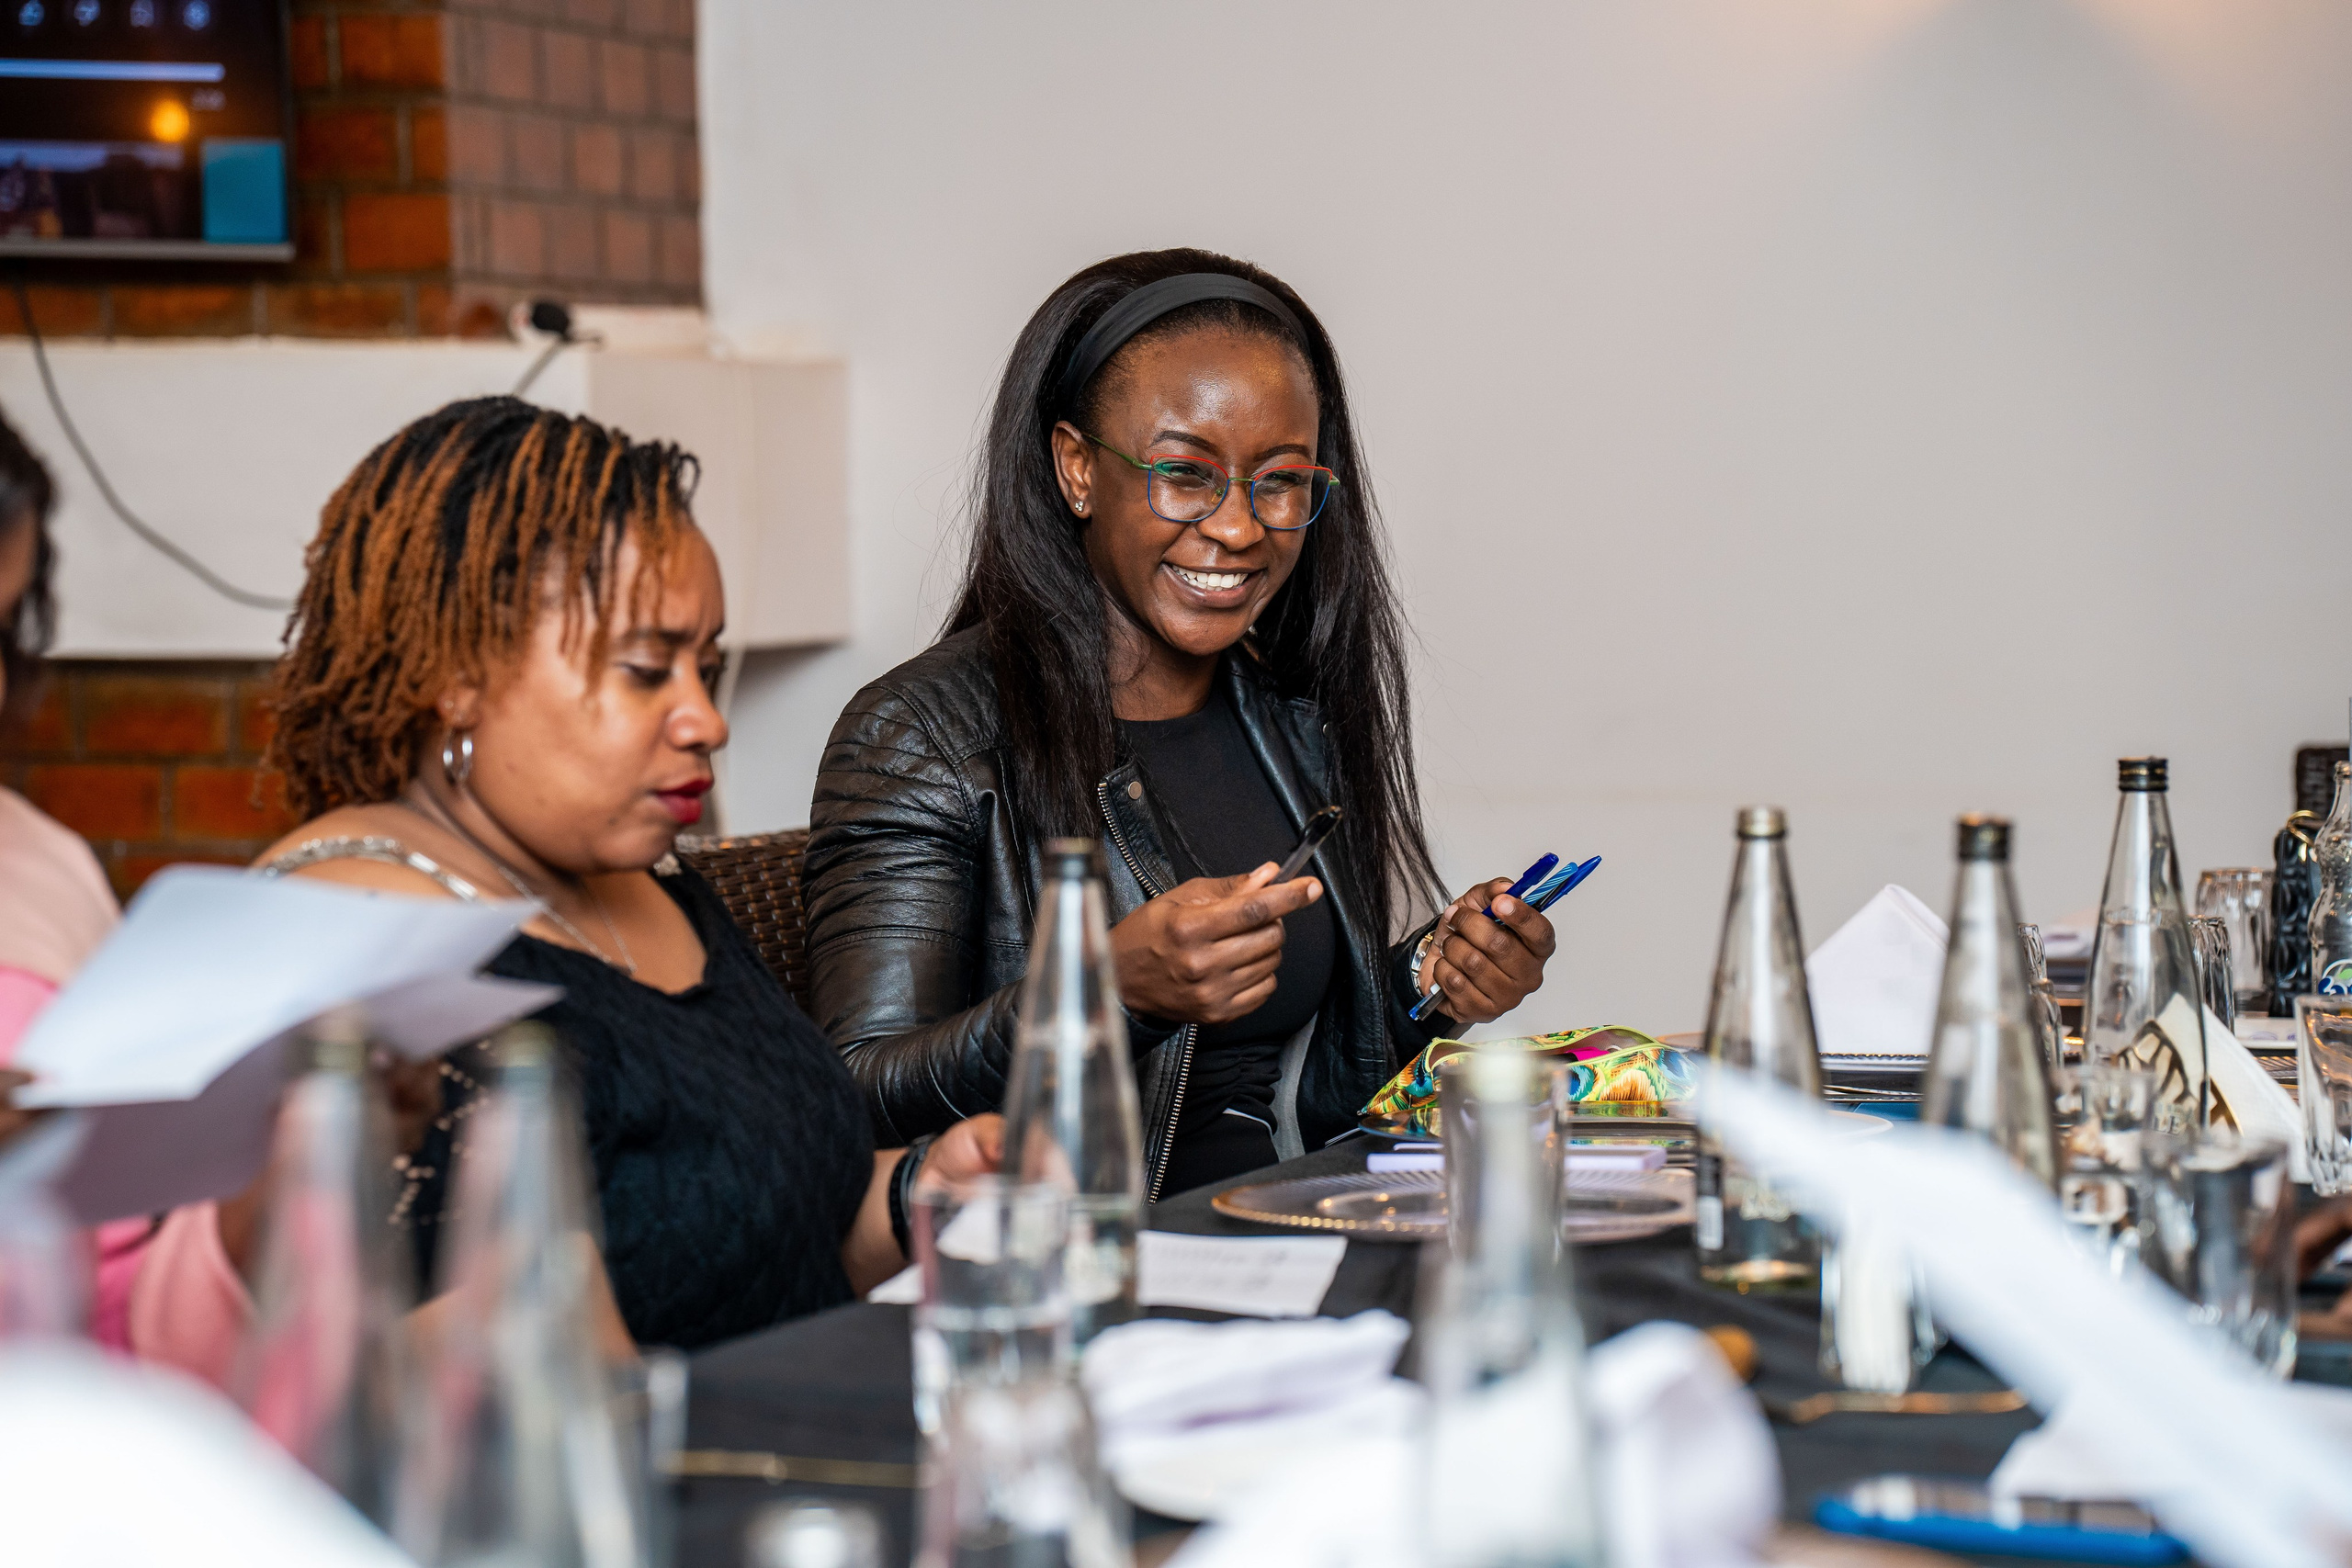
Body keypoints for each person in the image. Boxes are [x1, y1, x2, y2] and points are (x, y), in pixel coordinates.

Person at [130, 397, 996, 1373]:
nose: (705, 719)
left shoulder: (647, 886)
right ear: (457, 673)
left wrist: (918, 1196)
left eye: (704, 668)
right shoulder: (352, 942)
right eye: (644, 670)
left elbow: (767, 1250)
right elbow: (447, 1414)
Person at [807, 249, 1558, 1200]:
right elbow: (856, 1101)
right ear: (1076, 468)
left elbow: (1308, 1098)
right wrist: (1106, 993)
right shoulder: (919, 734)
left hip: (1293, 1225)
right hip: (1095, 1267)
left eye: (1280, 481)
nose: (1240, 528)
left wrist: (1429, 987)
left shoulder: (1285, 719)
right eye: (1184, 474)